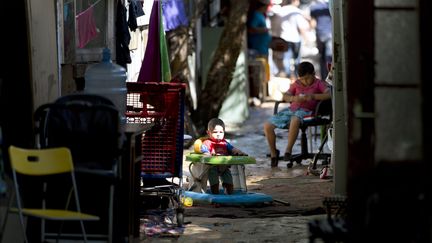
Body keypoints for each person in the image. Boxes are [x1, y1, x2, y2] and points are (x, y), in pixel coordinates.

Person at [263, 61, 331, 167]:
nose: (305, 81)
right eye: (302, 79)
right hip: (291, 110)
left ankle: (288, 151)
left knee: (295, 119)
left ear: (313, 74)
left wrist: (313, 96)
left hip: (308, 112)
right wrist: (294, 98)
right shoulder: (296, 84)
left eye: (307, 78)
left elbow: (329, 94)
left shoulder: (319, 83)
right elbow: (285, 96)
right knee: (267, 125)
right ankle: (273, 153)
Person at [200, 118, 247, 194]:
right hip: (213, 168)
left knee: (229, 185)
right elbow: (204, 152)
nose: (218, 135)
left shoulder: (224, 143)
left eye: (221, 132)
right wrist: (209, 154)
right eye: (215, 132)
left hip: (224, 167)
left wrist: (240, 152)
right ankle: (215, 197)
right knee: (214, 185)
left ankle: (229, 195)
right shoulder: (207, 143)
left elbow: (233, 149)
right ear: (208, 133)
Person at [270, 0, 310, 79]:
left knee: (286, 59)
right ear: (294, 1)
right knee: (296, 60)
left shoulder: (281, 10)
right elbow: (302, 27)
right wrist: (306, 38)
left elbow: (274, 26)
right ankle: (297, 76)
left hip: (284, 38)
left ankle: (288, 77)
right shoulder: (296, 11)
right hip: (295, 39)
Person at [309, 0, 333, 80]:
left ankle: (324, 78)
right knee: (329, 58)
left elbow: (313, 23)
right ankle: (330, 78)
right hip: (330, 34)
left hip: (320, 35)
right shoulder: (330, 5)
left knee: (322, 57)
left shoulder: (313, 7)